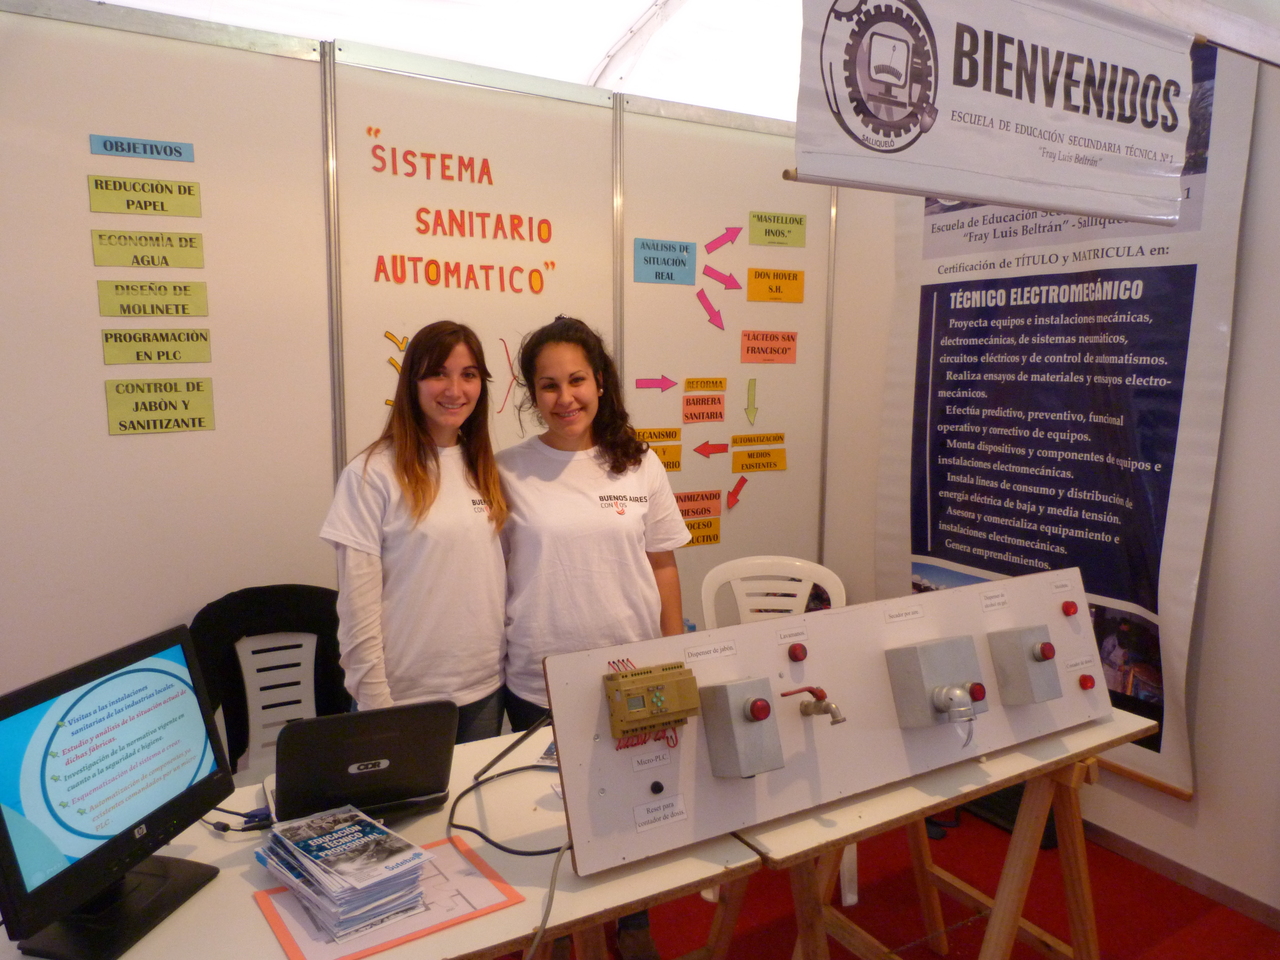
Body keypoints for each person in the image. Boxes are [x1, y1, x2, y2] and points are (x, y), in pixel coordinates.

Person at [497, 315, 688, 960]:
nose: (565, 397)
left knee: (633, 806)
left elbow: (664, 565)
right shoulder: (506, 470)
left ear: (601, 382)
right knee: (548, 818)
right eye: (548, 385)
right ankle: (554, 929)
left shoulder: (639, 463)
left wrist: (672, 655)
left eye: (577, 380)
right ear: (532, 394)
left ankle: (632, 923)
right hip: (537, 676)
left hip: (631, 673)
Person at [320, 321, 508, 743]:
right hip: (403, 698)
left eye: (468, 374)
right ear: (413, 382)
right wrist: (375, 703)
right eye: (438, 373)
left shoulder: (482, 467)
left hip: (483, 689)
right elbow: (357, 606)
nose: (455, 389)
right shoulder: (371, 474)